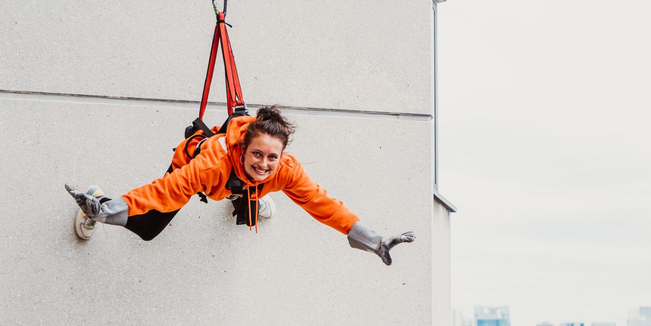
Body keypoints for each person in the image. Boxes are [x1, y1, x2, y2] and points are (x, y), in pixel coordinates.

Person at [65, 106, 414, 265]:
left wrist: (373, 239)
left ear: (283, 156)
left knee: (252, 192)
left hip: (236, 183)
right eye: (257, 154)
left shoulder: (284, 169)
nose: (264, 163)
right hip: (198, 173)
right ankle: (97, 202)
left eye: (272, 158)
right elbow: (164, 190)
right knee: (148, 229)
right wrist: (110, 209)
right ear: (242, 148)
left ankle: (248, 199)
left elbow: (322, 204)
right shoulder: (212, 162)